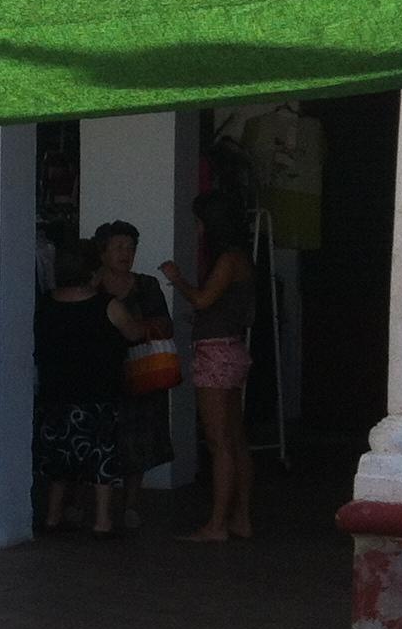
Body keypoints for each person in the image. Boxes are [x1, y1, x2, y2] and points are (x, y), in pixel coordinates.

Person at [35, 241, 148, 537]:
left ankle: (52, 515)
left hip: (56, 393)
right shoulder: (106, 305)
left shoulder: (45, 303)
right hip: (99, 394)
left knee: (58, 459)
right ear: (91, 270)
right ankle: (102, 521)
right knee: (101, 458)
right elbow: (134, 333)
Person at [163, 191, 257, 542]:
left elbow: (203, 298)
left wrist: (177, 278)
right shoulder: (241, 258)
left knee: (218, 442)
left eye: (201, 223)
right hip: (232, 348)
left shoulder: (226, 260)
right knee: (235, 439)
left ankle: (216, 524)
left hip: (214, 354)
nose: (199, 230)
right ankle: (240, 518)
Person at [92, 219, 175, 521]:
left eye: (131, 247)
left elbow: (166, 323)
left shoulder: (147, 285)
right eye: (118, 247)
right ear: (102, 252)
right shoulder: (91, 285)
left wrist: (138, 327)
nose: (126, 253)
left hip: (141, 372)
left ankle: (130, 504)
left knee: (138, 437)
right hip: (103, 372)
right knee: (101, 436)